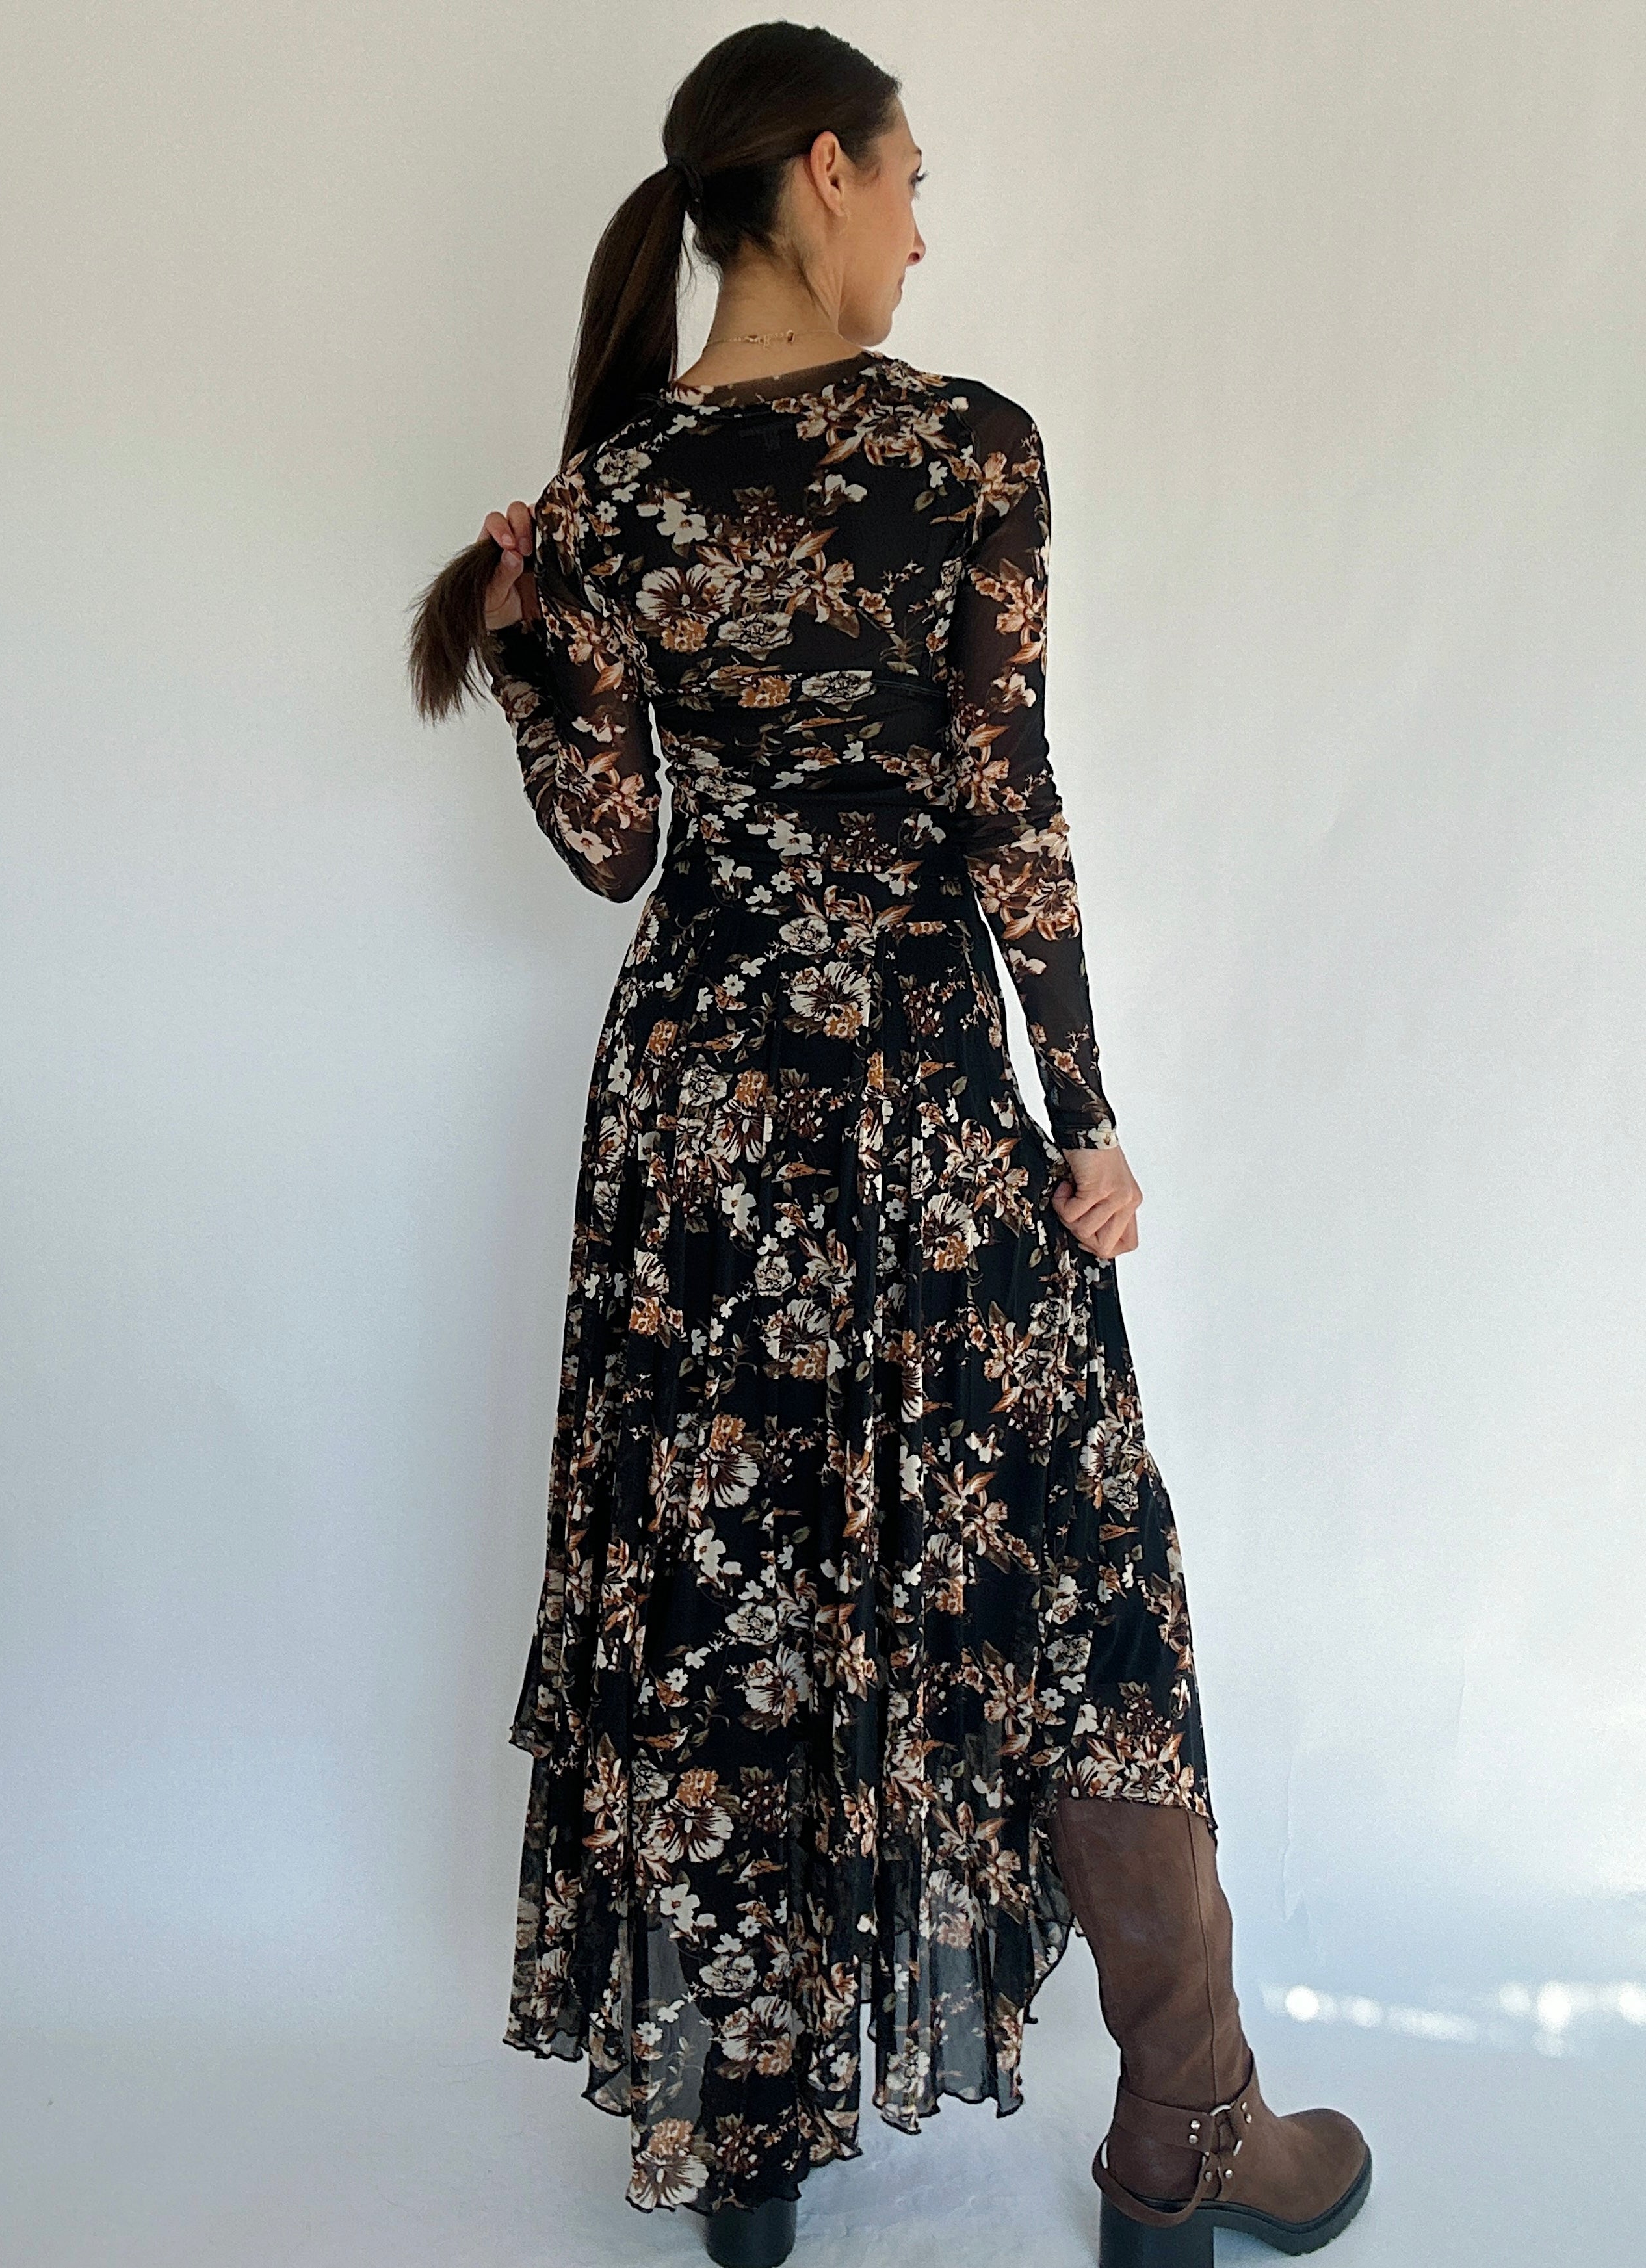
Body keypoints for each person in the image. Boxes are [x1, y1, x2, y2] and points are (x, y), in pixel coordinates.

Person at [408, 23, 1371, 2268]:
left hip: (700, 1126)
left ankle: (743, 2160)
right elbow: (1000, 803)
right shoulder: (966, 452)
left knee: (737, 1590)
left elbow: (617, 852)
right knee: (1077, 1585)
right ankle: (1187, 2135)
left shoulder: (615, 491)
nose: (925, 228)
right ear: (822, 174)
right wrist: (1085, 1107)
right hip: (926, 1100)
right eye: (913, 180)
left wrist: (548, 647)